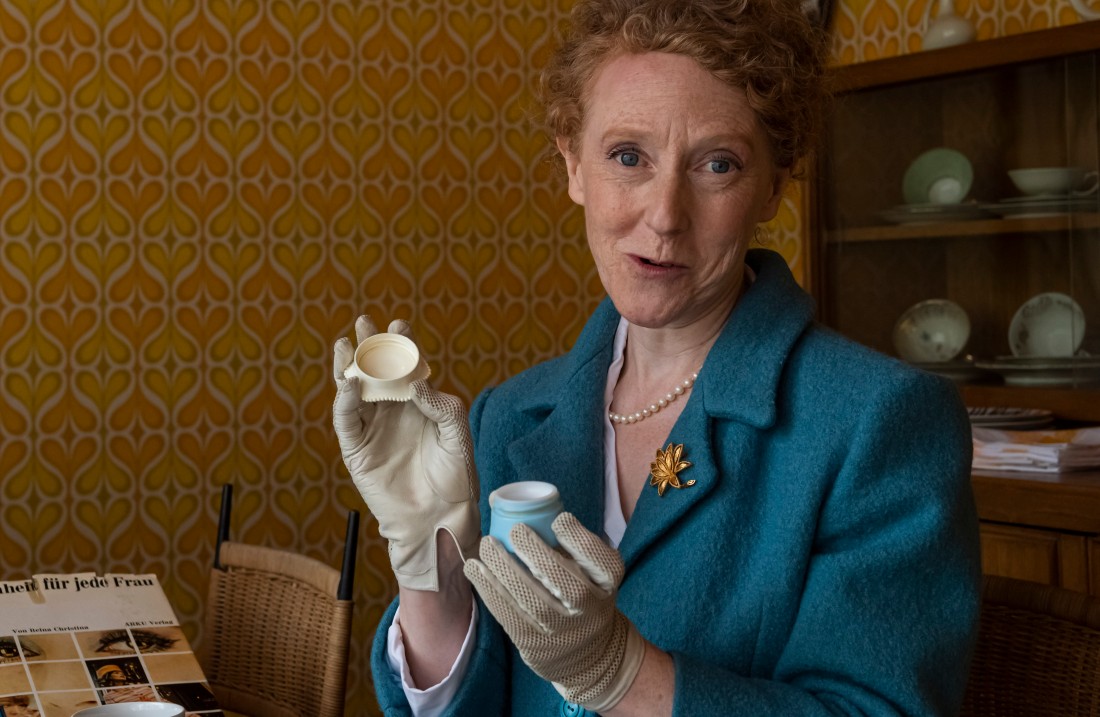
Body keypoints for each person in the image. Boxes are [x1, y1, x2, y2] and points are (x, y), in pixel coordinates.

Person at [331, 0, 982, 715]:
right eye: (628, 156)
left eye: (717, 163)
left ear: (773, 181)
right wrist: (431, 573)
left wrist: (622, 673)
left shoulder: (878, 423)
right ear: (572, 161)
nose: (665, 214)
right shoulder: (507, 416)